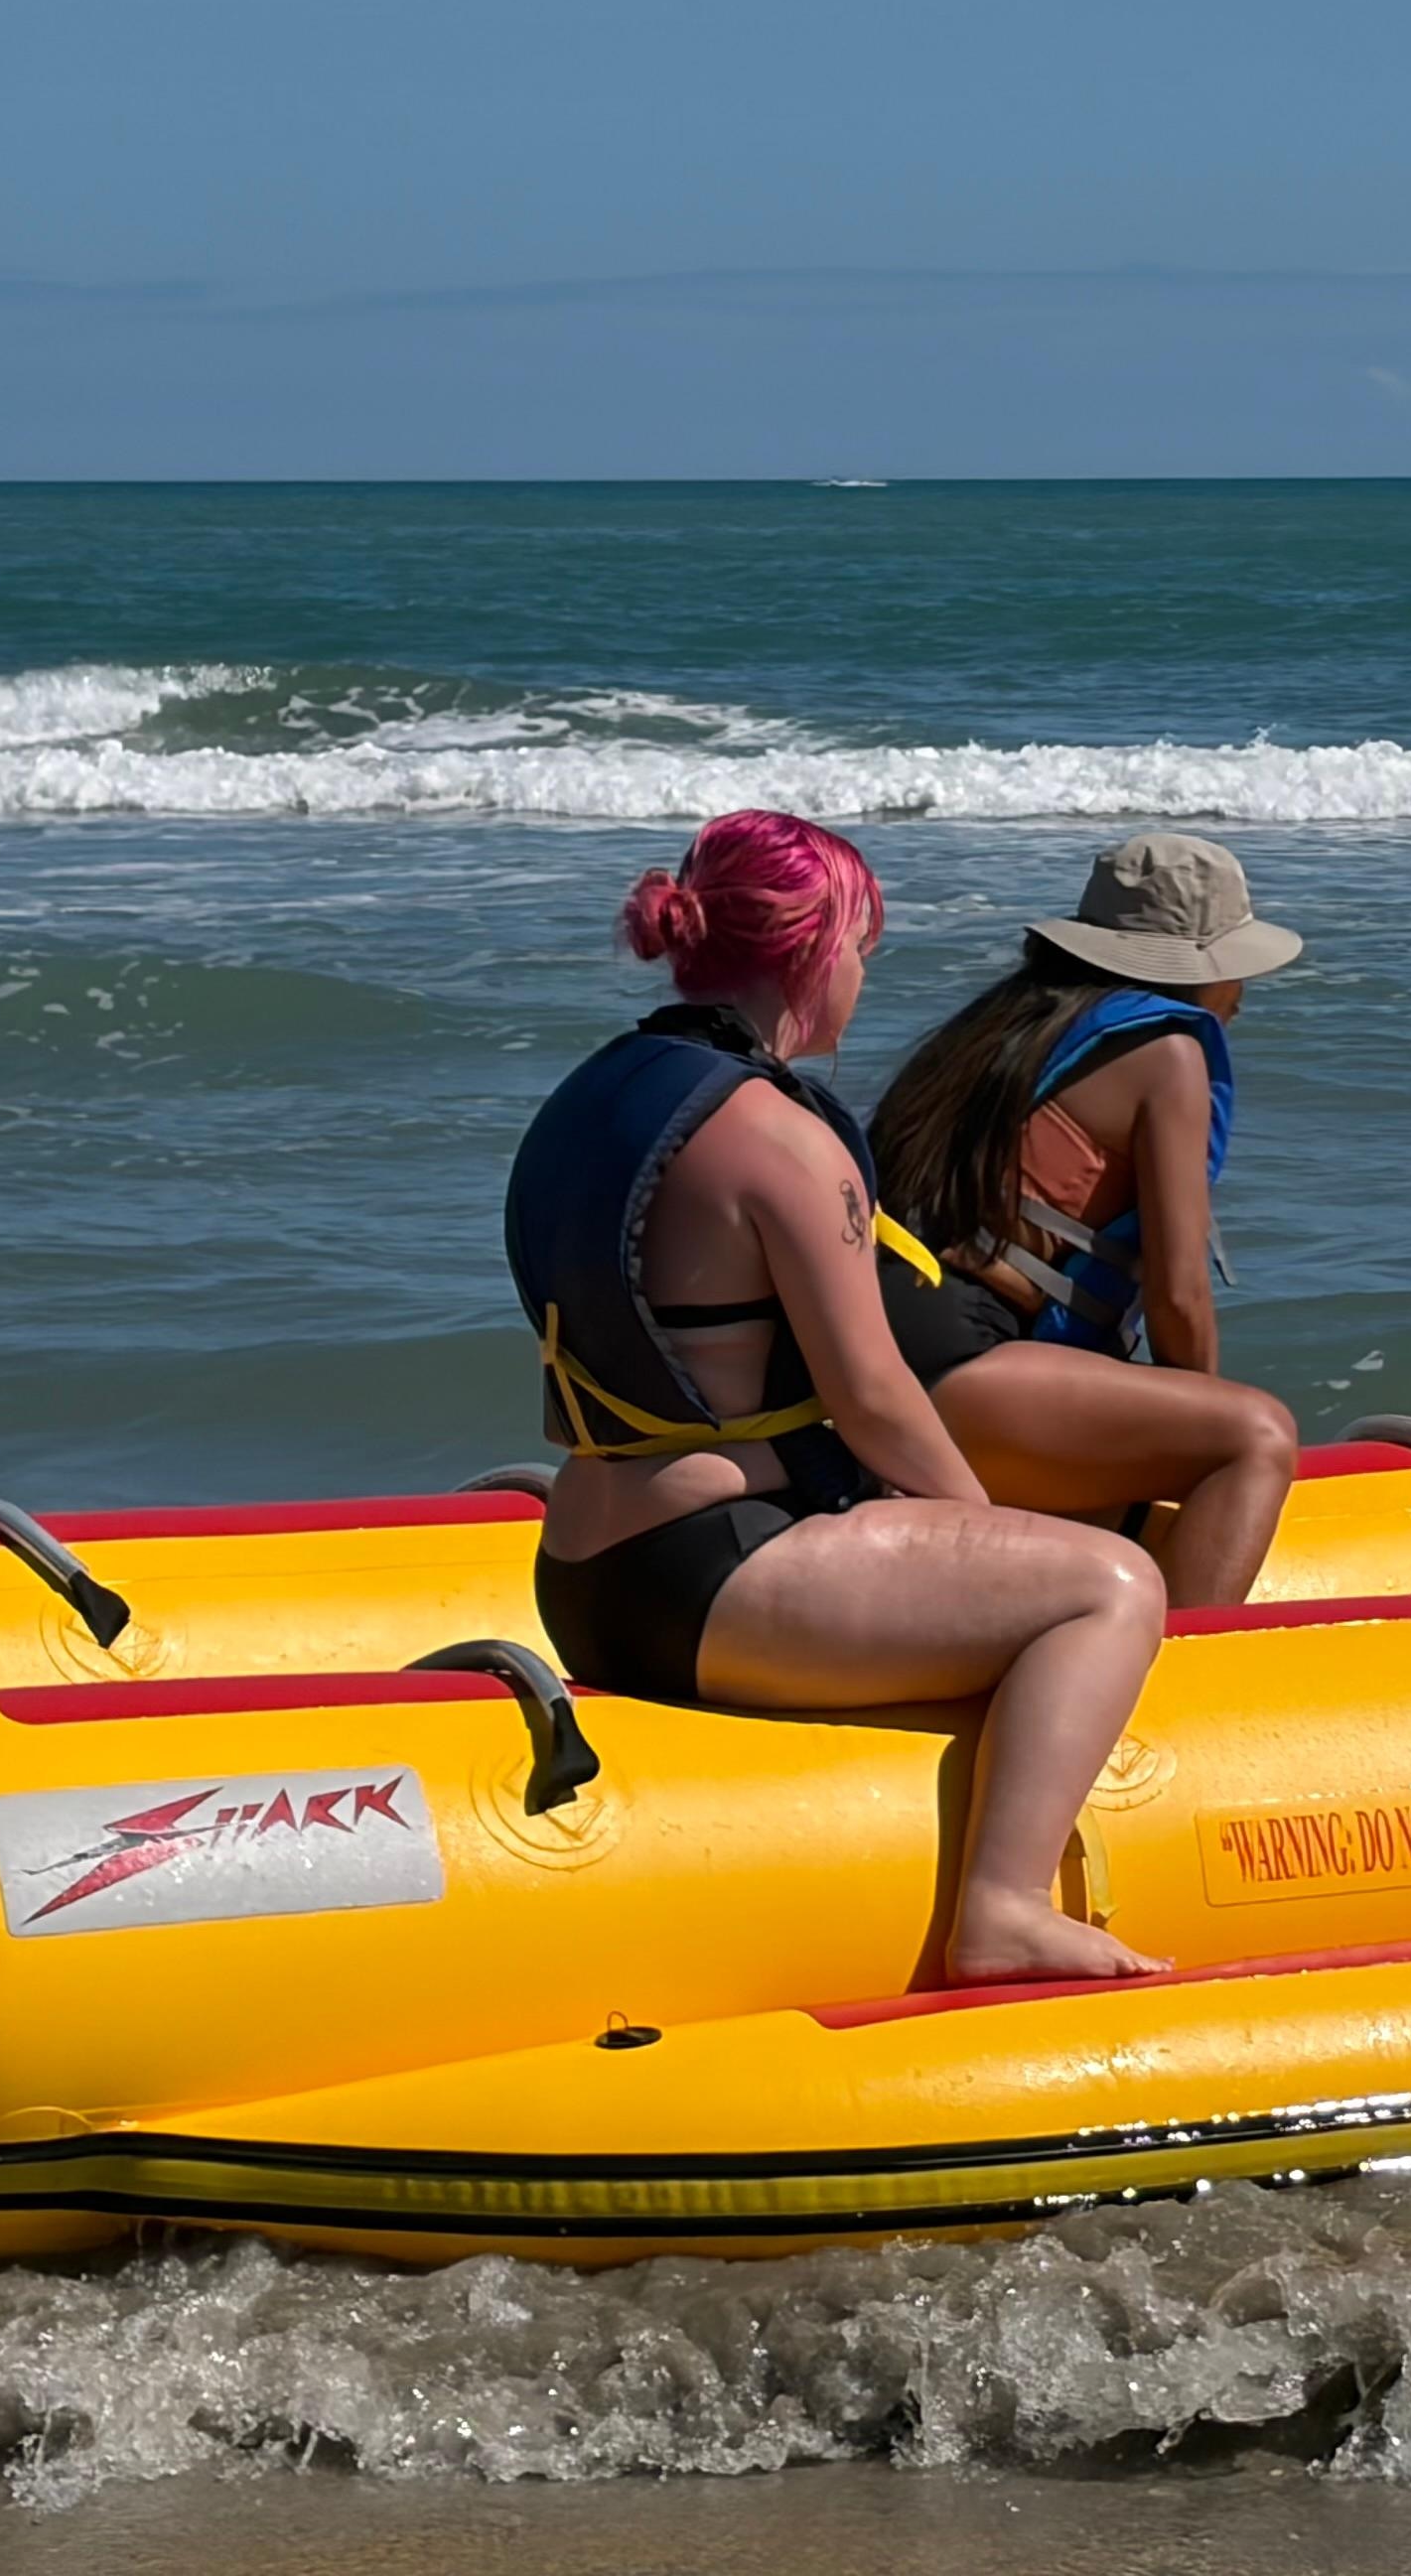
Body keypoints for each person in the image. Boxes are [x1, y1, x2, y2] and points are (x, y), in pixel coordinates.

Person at [504, 810, 1166, 1984]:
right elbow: (873, 1399)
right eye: (863, 946)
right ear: (814, 954)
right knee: (1109, 1585)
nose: (864, 975)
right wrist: (993, 1530)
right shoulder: (779, 1137)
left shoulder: (598, 1093)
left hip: (583, 1577)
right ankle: (1003, 1910)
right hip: (717, 1578)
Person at [866, 834, 1302, 1610]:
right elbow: (1178, 1296)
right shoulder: (1168, 1051)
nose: (1243, 991)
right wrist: (1186, 1439)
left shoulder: (996, 1029)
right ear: (1198, 967)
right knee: (1255, 1436)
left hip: (865, 1361)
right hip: (962, 1366)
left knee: (1121, 1511)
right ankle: (1179, 1686)